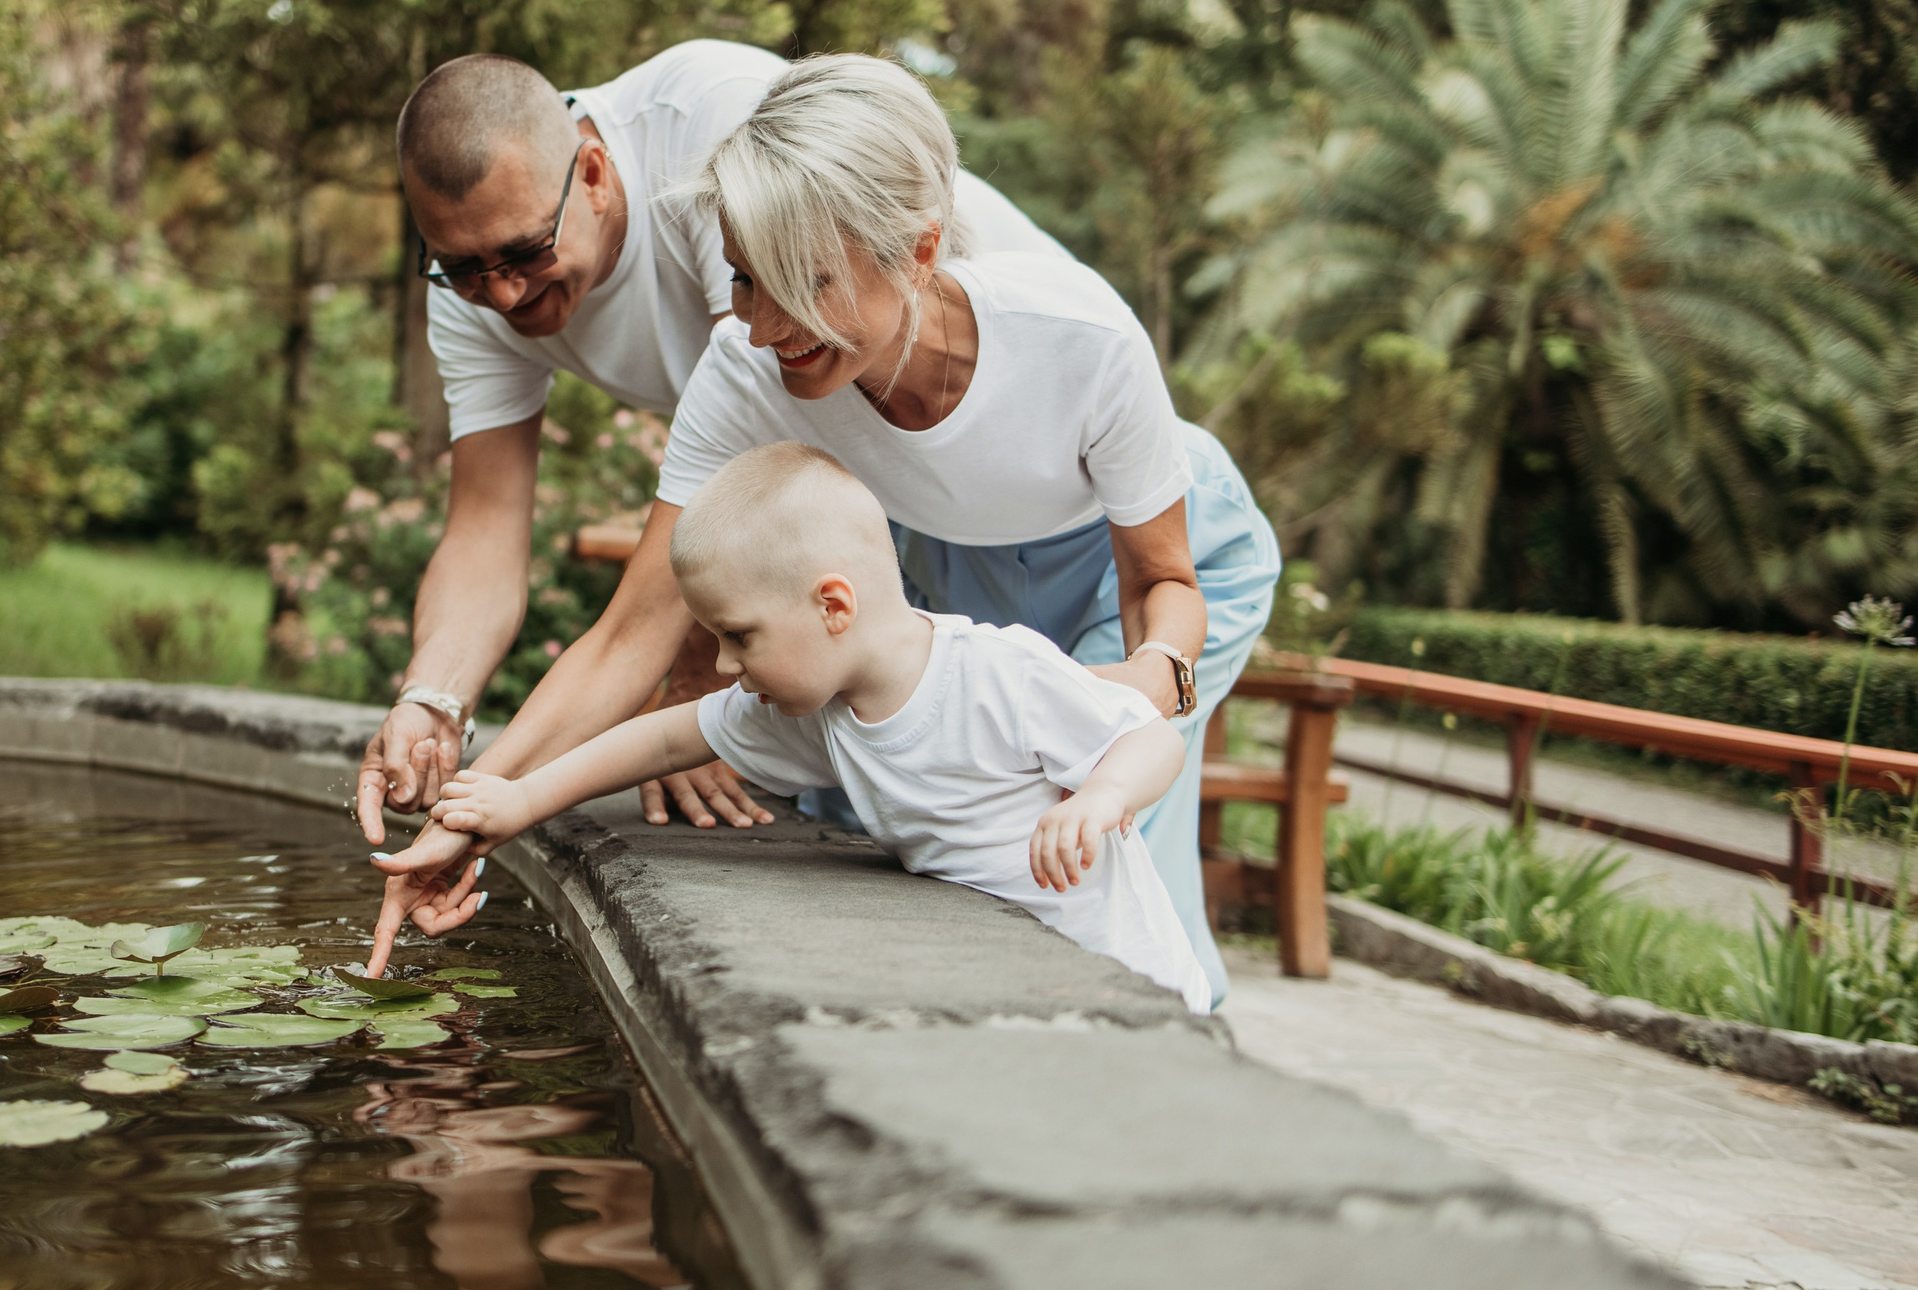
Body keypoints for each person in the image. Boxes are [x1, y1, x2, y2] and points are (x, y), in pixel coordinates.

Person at [374, 55, 1278, 1007]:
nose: (761, 327)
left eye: (797, 283)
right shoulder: (749, 365)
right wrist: (469, 810)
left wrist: (1152, 683)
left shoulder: (1082, 334)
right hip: (954, 552)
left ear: (918, 252)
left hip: (1139, 554)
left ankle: (1184, 1064)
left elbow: (1165, 578)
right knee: (933, 836)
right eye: (742, 283)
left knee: (1107, 862)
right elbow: (632, 631)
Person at [363, 40, 1069, 851]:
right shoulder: (475, 284)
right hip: (867, 479)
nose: (502, 292)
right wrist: (432, 702)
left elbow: (762, 412)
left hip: (1013, 449)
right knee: (881, 809)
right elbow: (486, 532)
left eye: (525, 253)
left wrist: (696, 681)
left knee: (1041, 809)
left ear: (592, 173)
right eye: (463, 268)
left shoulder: (714, 125)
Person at [374, 443, 1212, 1014]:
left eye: (739, 636)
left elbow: (1150, 736)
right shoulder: (823, 708)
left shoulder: (995, 672)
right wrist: (520, 800)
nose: (728, 667)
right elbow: (668, 737)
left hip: (1131, 981)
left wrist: (1098, 798)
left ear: (833, 605)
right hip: (1016, 982)